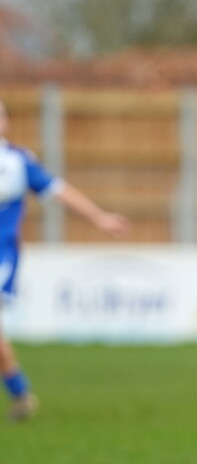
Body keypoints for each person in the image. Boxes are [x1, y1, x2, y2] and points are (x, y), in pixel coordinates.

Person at [0, 98, 128, 421]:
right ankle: (20, 392)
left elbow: (59, 191)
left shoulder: (17, 162)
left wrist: (99, 217)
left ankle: (20, 392)